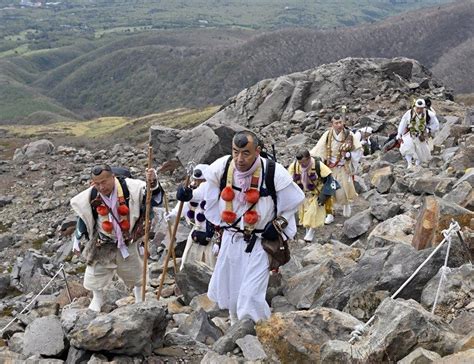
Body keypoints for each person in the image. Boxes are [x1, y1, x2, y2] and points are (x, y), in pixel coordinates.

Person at [179, 131, 304, 325]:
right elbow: (208, 190)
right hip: (231, 238)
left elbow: (294, 202)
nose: (239, 159)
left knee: (251, 293)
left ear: (258, 151)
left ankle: (258, 330)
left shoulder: (273, 171)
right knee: (233, 286)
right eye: (235, 152)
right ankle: (237, 327)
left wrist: (278, 224)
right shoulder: (223, 166)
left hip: (260, 242)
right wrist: (189, 195)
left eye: (246, 153)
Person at [70, 164, 162, 312]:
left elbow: (152, 196)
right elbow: (83, 215)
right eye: (97, 183)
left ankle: (139, 297)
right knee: (95, 271)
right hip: (103, 239)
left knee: (136, 271)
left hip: (127, 238)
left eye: (104, 182)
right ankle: (97, 299)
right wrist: (77, 238)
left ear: (113, 177)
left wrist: (153, 181)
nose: (101, 186)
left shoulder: (132, 188)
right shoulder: (92, 194)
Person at [310, 114, 363, 220]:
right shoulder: (327, 135)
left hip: (344, 166)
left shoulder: (349, 135)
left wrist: (348, 155)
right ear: (332, 124)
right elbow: (319, 148)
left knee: (344, 189)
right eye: (336, 123)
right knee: (329, 190)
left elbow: (358, 150)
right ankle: (330, 213)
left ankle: (346, 205)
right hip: (330, 167)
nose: (339, 125)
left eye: (340, 122)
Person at [165, 164, 217, 270]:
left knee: (211, 267)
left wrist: (219, 242)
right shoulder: (193, 190)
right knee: (187, 265)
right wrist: (173, 214)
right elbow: (183, 205)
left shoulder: (211, 190)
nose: (197, 183)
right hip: (196, 232)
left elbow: (194, 195)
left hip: (212, 236)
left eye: (201, 181)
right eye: (196, 180)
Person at [288, 149, 337, 242]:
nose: (301, 165)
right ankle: (308, 232)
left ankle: (311, 233)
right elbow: (289, 179)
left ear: (308, 158)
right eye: (299, 162)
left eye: (303, 162)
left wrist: (324, 195)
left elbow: (329, 179)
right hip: (303, 195)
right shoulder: (294, 166)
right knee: (304, 215)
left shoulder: (318, 165)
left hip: (317, 194)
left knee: (312, 214)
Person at [397, 98, 440, 168]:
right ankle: (409, 164)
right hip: (410, 133)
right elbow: (403, 123)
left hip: (421, 135)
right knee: (407, 148)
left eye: (421, 108)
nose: (419, 110)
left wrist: (429, 130)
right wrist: (399, 134)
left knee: (420, 152)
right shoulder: (409, 113)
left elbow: (436, 124)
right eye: (418, 108)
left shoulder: (429, 114)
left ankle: (417, 165)